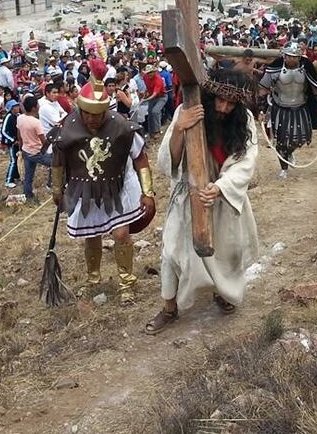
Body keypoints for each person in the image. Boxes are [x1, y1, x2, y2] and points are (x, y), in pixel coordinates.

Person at [146, 69, 259, 334]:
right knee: (172, 251)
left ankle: (223, 292)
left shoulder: (245, 120)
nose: (223, 107)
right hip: (188, 196)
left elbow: (247, 160)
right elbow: (168, 162)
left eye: (231, 103)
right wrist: (179, 128)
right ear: (211, 94)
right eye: (220, 99)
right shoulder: (187, 110)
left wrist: (220, 188)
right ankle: (169, 308)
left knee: (228, 249)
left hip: (223, 196)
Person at [49, 82, 155, 305]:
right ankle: (93, 278)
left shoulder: (121, 126)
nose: (91, 119)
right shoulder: (69, 125)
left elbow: (140, 158)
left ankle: (127, 281)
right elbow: (58, 160)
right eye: (86, 113)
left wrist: (148, 191)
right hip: (85, 190)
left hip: (119, 186)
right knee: (91, 235)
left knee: (121, 235)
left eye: (96, 114)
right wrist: (57, 189)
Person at [258, 41, 317, 179]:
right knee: (281, 140)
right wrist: (262, 110)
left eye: (295, 56)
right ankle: (284, 168)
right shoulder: (274, 69)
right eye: (289, 56)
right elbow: (263, 89)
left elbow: (316, 89)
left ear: (299, 57)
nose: (292, 59)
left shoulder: (306, 68)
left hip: (301, 108)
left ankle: (289, 152)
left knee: (302, 137)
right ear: (284, 56)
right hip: (280, 108)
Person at [16, 96, 50, 201]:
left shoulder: (20, 118)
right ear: (34, 108)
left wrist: (21, 148)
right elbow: (43, 140)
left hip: (26, 150)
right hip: (37, 152)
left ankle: (28, 195)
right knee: (56, 164)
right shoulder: (36, 122)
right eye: (38, 105)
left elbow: (19, 134)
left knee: (28, 176)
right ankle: (52, 185)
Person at [1, 100, 21, 189]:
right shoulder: (8, 116)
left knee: (17, 159)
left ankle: (16, 176)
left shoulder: (17, 116)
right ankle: (8, 180)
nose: (18, 108)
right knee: (13, 160)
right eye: (16, 106)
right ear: (12, 108)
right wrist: (12, 140)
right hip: (11, 142)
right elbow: (3, 131)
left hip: (17, 141)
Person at [142, 64, 167, 136]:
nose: (149, 74)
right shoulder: (145, 77)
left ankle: (157, 131)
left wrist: (145, 100)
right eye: (148, 73)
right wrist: (145, 93)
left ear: (154, 72)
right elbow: (148, 87)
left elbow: (154, 94)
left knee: (155, 111)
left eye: (150, 72)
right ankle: (151, 132)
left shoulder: (158, 79)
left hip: (161, 97)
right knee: (150, 113)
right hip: (151, 96)